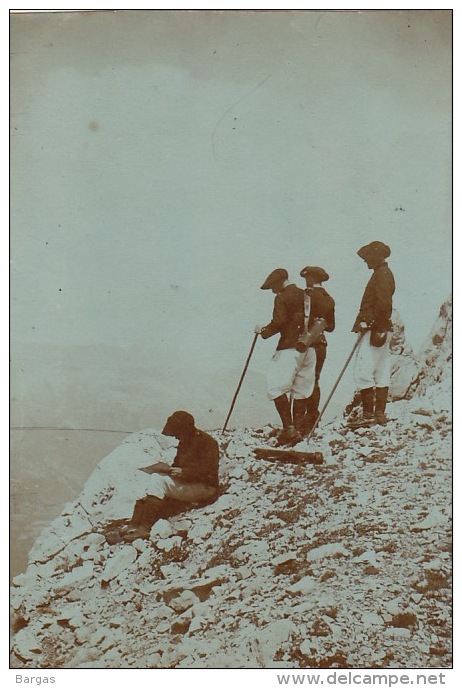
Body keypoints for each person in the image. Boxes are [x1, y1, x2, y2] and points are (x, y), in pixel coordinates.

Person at [121, 411, 220, 540]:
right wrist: (170, 470)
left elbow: (209, 470)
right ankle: (133, 525)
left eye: (178, 434)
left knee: (157, 481)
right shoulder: (185, 442)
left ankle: (145, 528)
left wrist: (184, 472)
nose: (177, 438)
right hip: (190, 483)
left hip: (205, 487)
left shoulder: (208, 442)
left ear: (186, 430)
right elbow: (178, 465)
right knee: (154, 480)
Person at [255, 268, 316, 446]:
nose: (273, 291)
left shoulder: (281, 297)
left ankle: (289, 428)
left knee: (275, 387)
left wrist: (263, 331)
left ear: (280, 282)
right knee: (301, 390)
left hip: (289, 348)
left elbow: (279, 321)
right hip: (309, 348)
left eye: (273, 287)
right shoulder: (307, 294)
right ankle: (297, 429)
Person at [350, 241, 395, 428]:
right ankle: (379, 415)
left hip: (374, 329)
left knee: (362, 371)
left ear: (375, 258)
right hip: (382, 328)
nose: (365, 261)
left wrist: (372, 325)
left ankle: (368, 415)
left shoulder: (381, 275)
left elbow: (383, 304)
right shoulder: (384, 273)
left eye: (367, 258)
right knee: (381, 371)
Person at [294, 266, 335, 434]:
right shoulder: (329, 299)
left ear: (310, 278)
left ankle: (299, 423)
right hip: (321, 344)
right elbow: (331, 326)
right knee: (314, 380)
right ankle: (312, 420)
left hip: (306, 344)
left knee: (300, 381)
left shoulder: (307, 296)